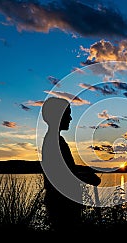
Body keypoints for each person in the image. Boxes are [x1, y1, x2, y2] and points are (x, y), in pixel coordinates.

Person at [41, 97, 101, 231]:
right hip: (61, 204)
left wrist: (83, 174)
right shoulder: (54, 142)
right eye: (67, 114)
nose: (70, 118)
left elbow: (66, 171)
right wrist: (88, 178)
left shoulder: (54, 140)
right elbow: (61, 177)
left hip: (62, 202)